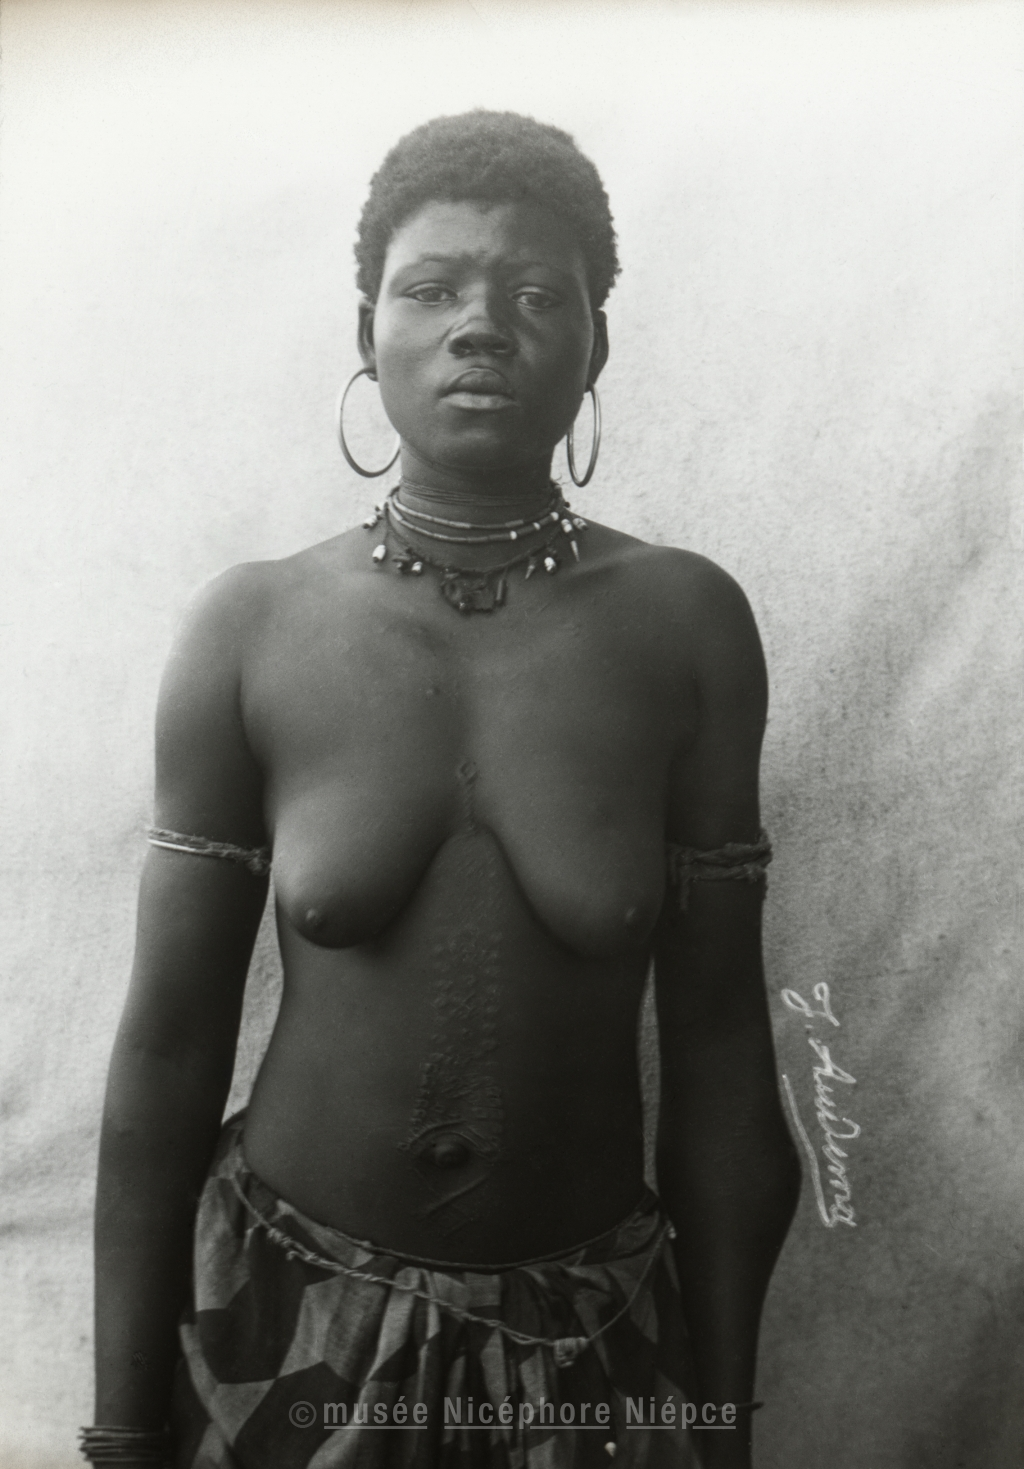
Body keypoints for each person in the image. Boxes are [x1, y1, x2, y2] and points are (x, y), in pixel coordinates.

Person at [87, 111, 800, 1469]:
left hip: (591, 1344)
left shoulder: (686, 627)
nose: (481, 326)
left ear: (597, 347)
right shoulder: (252, 628)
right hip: (281, 1331)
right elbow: (167, 1055)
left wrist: (721, 1423)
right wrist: (123, 1434)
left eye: (538, 296)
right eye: (431, 290)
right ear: (367, 335)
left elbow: (721, 1055)